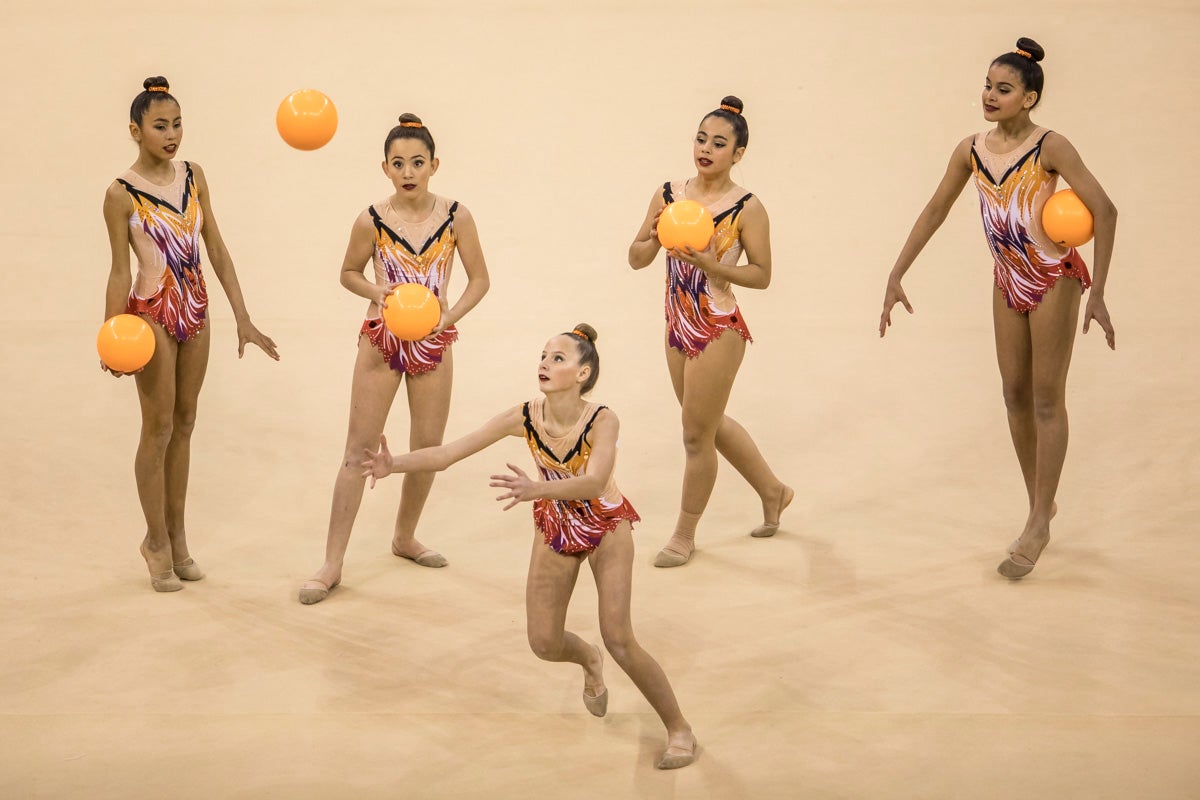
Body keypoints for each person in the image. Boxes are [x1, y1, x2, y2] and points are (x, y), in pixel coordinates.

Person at [360, 325, 697, 769]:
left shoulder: (602, 419)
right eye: (543, 355)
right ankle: (588, 660)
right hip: (556, 526)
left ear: (584, 372)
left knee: (619, 637)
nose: (544, 363)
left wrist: (536, 489)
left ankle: (679, 728)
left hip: (604, 525)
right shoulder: (524, 416)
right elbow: (448, 453)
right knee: (543, 642)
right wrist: (393, 464)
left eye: (558, 358)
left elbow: (595, 481)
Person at [878, 38, 1118, 578]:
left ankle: (1038, 522)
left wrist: (1098, 289)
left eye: (1003, 89)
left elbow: (1105, 208)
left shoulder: (1050, 147)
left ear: (1028, 98)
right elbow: (936, 208)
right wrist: (897, 272)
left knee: (1045, 398)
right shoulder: (972, 149)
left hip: (1053, 275)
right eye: (988, 85)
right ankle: (1041, 499)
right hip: (1006, 278)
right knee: (1012, 394)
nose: (990, 95)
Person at [299, 114, 490, 604]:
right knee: (358, 450)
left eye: (418, 163)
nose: (409, 171)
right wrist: (375, 290)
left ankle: (404, 537)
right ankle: (332, 563)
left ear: (434, 165)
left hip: (433, 341)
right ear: (385, 167)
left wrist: (450, 318)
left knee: (427, 446)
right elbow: (347, 272)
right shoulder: (372, 218)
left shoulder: (455, 216)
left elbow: (479, 280)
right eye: (399, 163)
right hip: (381, 340)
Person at [103, 76, 279, 592]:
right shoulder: (121, 193)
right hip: (152, 315)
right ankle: (153, 540)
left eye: (178, 124)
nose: (172, 134)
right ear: (136, 130)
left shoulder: (193, 176)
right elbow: (118, 270)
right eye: (160, 126)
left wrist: (242, 316)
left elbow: (216, 248)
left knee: (184, 424)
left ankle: (178, 538)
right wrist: (112, 334)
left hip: (196, 312)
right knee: (156, 430)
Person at [627, 95, 792, 568]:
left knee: (695, 435)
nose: (706, 149)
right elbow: (636, 258)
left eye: (719, 144)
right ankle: (773, 490)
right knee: (708, 422)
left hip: (717, 326)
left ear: (738, 154)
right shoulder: (668, 194)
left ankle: (684, 534)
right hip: (676, 322)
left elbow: (762, 274)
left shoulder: (746, 206)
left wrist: (713, 264)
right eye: (701, 139)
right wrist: (654, 235)